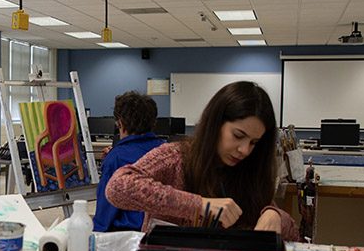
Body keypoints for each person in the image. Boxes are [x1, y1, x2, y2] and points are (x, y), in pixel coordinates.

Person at [106, 81, 299, 240]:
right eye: (238, 135)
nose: (244, 150)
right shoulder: (175, 157)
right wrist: (200, 205)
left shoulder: (248, 169)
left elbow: (293, 233)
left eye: (254, 143)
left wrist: (274, 215)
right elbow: (118, 188)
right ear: (216, 123)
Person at [93, 92, 164, 232]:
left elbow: (105, 212)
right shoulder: (166, 151)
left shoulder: (116, 158)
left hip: (127, 234)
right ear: (153, 121)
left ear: (120, 123)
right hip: (163, 232)